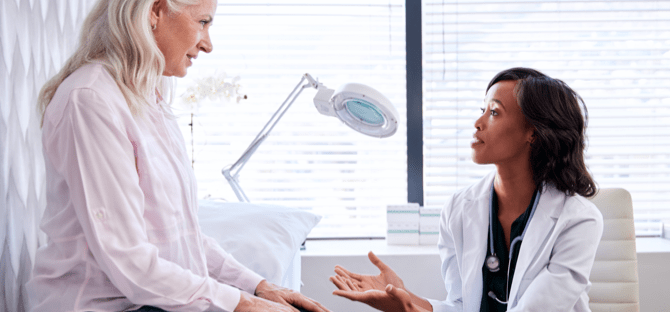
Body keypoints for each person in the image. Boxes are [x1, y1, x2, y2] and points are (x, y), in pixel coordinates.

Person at [25, 1, 329, 311]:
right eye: (202, 22)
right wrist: (243, 304)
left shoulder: (149, 103)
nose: (208, 44)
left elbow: (184, 238)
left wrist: (258, 287)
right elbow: (129, 259)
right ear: (155, 11)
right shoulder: (91, 101)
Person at [330, 67, 604, 311]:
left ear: (532, 133)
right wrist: (407, 301)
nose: (478, 122)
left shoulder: (578, 221)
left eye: (494, 112)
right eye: (482, 110)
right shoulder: (458, 210)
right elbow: (461, 305)